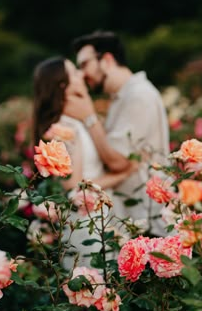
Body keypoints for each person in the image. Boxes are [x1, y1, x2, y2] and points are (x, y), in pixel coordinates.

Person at [33, 56, 137, 268]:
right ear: (63, 85)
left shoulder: (73, 122)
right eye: (74, 72)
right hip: (85, 220)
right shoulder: (64, 129)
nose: (82, 74)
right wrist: (119, 175)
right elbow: (72, 185)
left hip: (96, 214)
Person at [63, 31, 170, 236]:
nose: (82, 74)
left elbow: (119, 162)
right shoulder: (122, 97)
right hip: (134, 216)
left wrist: (89, 118)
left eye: (84, 64)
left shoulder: (138, 96)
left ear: (107, 60)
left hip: (146, 220)